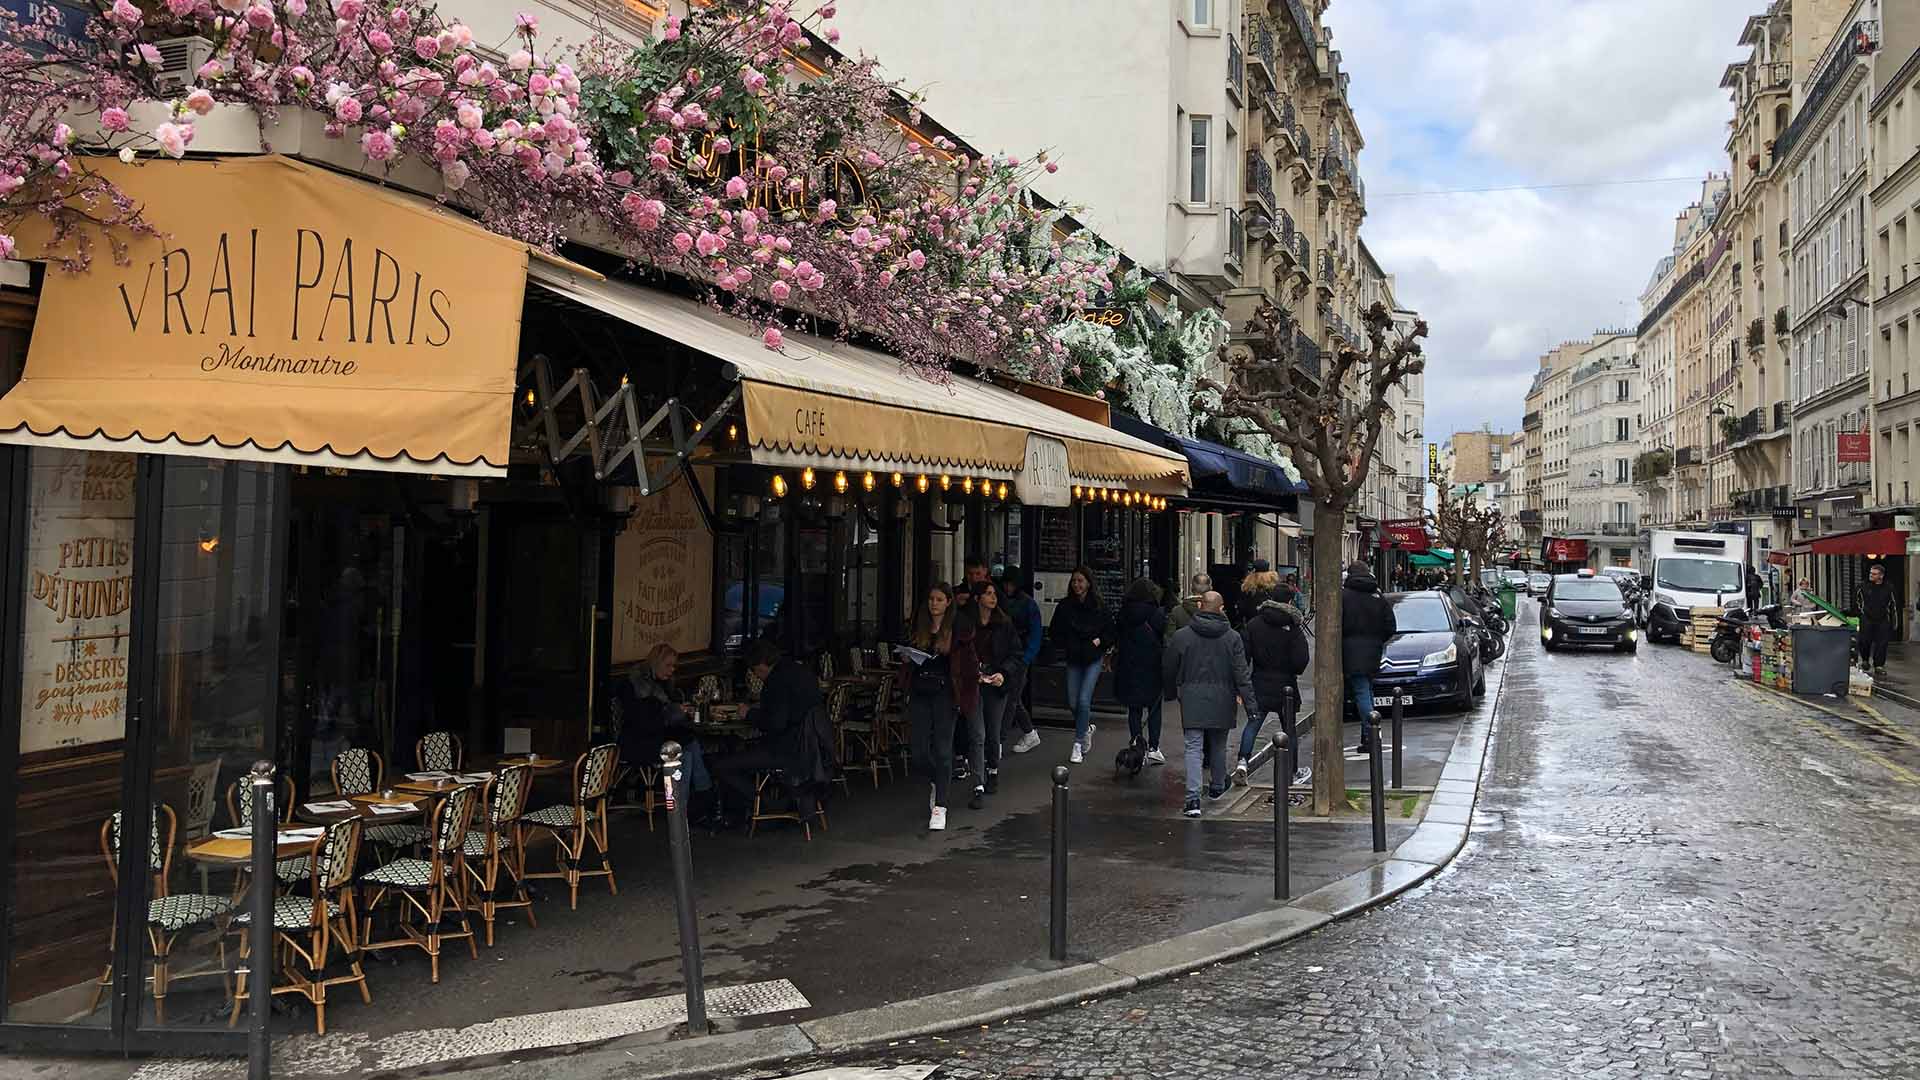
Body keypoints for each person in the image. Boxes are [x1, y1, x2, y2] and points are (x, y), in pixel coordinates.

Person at [1162, 591, 1258, 818]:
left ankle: (1193, 798)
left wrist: (1169, 692)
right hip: (1223, 698)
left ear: (1200, 606)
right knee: (1218, 744)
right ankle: (1216, 786)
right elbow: (1241, 674)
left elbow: (1169, 666)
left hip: (1192, 697)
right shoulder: (1232, 638)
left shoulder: (1183, 636)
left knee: (1193, 747)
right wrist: (1251, 706)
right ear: (1221, 608)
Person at [710, 641, 825, 829]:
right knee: (742, 755)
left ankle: (766, 805)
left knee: (722, 765)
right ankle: (767, 805)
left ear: (761, 665)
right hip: (812, 748)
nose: (756, 675)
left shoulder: (776, 681)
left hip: (788, 750)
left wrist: (750, 714)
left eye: (755, 670)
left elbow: (775, 724)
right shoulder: (800, 671)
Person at [612, 644, 721, 825]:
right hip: (636, 742)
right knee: (683, 755)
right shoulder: (634, 685)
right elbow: (643, 722)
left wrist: (675, 713)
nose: (672, 670)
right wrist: (671, 713)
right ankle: (680, 810)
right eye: (668, 665)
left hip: (654, 736)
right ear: (656, 662)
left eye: (674, 666)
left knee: (691, 743)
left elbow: (663, 717)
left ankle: (705, 800)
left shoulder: (661, 683)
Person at [1238, 590, 1310, 785]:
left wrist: (1242, 684)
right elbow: (1301, 658)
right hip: (1285, 684)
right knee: (1289, 730)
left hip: (1259, 681)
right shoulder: (1293, 626)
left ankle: (1242, 762)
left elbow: (1243, 655)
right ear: (1288, 600)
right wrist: (1293, 670)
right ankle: (1292, 771)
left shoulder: (1254, 624)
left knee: (1253, 723)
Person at [904, 583, 959, 830]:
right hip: (920, 691)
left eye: (938, 599)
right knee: (918, 752)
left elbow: (965, 662)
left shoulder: (957, 629)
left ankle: (941, 806)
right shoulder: (920, 627)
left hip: (945, 692)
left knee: (943, 749)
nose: (933, 604)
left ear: (948, 602)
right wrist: (909, 657)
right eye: (931, 599)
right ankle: (937, 779)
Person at [1049, 566, 1114, 764]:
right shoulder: (1065, 607)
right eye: (1074, 581)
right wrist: (1067, 643)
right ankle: (1085, 728)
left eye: (1081, 581)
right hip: (1074, 658)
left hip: (1093, 658)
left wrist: (1100, 641)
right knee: (1072, 701)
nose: (1077, 585)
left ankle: (1078, 743)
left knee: (1084, 700)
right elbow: (1054, 631)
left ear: (1088, 583)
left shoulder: (1099, 606)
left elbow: (1111, 630)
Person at [970, 580, 1021, 803]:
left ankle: (992, 770)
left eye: (994, 594)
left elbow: (1015, 654)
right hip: (973, 682)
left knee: (992, 731)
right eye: (987, 594)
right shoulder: (966, 623)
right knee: (977, 733)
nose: (993, 597)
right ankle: (978, 782)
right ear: (977, 598)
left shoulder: (1004, 624)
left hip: (996, 682)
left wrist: (1003, 673)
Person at [1340, 561, 1397, 753]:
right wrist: (1376, 639)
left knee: (1361, 690)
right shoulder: (1377, 596)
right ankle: (1368, 735)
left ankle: (1373, 733)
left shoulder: (1344, 596)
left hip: (1350, 650)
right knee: (1367, 688)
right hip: (1373, 650)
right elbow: (1390, 626)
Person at [1113, 578, 1168, 764]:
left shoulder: (1124, 613)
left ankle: (1136, 744)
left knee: (1134, 709)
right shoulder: (1157, 614)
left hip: (1129, 665)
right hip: (1152, 665)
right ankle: (1153, 747)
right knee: (1154, 708)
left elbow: (1118, 636)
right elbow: (1163, 638)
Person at [999, 567, 1045, 753]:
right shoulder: (1022, 603)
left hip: (1019, 656)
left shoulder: (1027, 605)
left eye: (1011, 584)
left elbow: (1035, 635)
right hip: (1012, 654)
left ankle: (1000, 740)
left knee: (1011, 698)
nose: (1008, 587)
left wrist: (1026, 658)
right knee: (1013, 698)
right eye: (1006, 584)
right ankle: (1029, 732)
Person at [1857, 563, 1899, 677]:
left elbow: (1894, 605)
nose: (1871, 575)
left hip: (1883, 618)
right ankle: (1865, 660)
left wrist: (1894, 622)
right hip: (1867, 617)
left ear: (1881, 576)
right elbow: (1857, 601)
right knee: (1864, 640)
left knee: (1882, 643)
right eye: (1871, 573)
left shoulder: (1889, 588)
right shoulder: (1863, 586)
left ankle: (1879, 665)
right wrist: (1861, 613)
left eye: (1874, 574)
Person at [1166, 573, 1211, 641]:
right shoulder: (1217, 612)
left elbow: (1169, 640)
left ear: (1191, 587)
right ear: (1210, 588)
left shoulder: (1176, 611)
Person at [1236, 561, 1280, 628]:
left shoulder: (1247, 588)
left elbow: (1241, 609)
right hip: (1271, 625)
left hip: (1252, 625)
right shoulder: (1274, 588)